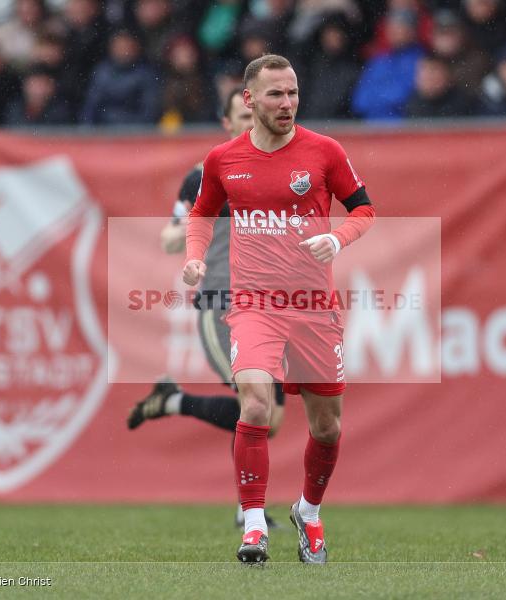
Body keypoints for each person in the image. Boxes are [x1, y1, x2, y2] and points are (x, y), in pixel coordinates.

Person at [183, 54, 376, 564]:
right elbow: (202, 213)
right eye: (275, 94)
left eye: (292, 92)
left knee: (327, 427)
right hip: (254, 302)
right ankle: (252, 526)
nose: (287, 103)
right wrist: (195, 259)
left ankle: (308, 512)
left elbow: (363, 209)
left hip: (314, 306)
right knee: (255, 406)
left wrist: (339, 238)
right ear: (249, 100)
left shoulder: (325, 151)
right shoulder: (223, 159)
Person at [127, 88, 284, 529]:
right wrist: (187, 231)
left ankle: (172, 400)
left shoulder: (279, 166)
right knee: (254, 401)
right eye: (241, 114)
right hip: (223, 298)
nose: (250, 120)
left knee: (270, 417)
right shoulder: (203, 176)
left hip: (271, 300)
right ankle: (248, 510)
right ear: (227, 123)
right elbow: (171, 234)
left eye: (255, 113)